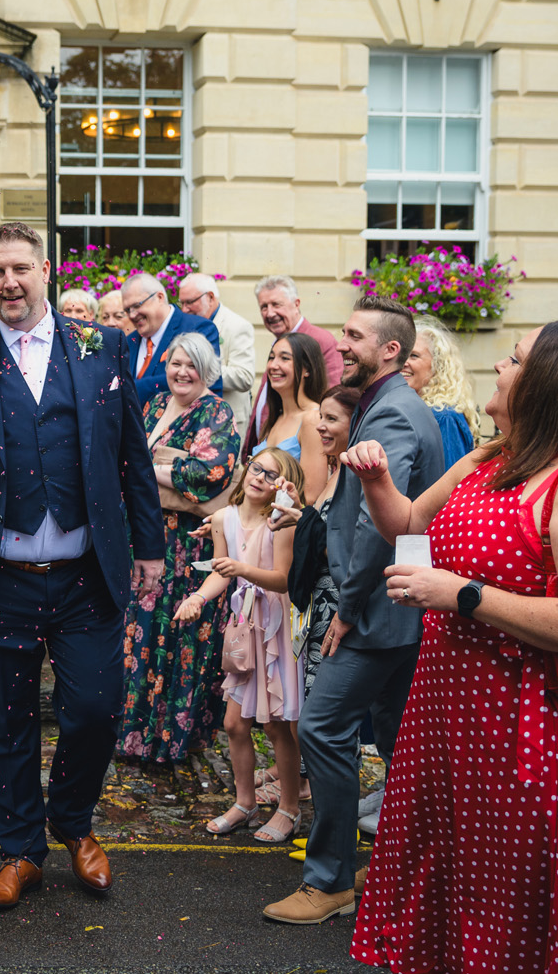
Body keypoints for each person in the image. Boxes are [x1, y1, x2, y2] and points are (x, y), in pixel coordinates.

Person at [344, 321, 558, 973]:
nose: (500, 368)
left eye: (513, 359)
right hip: (453, 716)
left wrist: (463, 594)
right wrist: (376, 480)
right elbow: (408, 524)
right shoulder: (491, 456)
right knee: (449, 888)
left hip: (533, 728)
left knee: (513, 910)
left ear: (551, 385)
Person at [0, 222, 164, 911]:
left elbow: (131, 458)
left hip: (88, 574)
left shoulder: (102, 344)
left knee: (94, 708)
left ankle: (74, 822)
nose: (9, 282)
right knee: (4, 719)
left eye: (21, 268)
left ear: (46, 269)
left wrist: (150, 549)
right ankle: (20, 849)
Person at [264, 295, 444, 925]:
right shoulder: (389, 406)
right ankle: (405, 868)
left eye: (354, 336)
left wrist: (346, 608)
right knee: (399, 739)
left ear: (389, 350)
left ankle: (331, 878)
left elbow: (376, 526)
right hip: (396, 609)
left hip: (375, 609)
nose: (341, 345)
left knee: (321, 727)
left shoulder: (392, 414)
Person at [117, 331, 239, 765]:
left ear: (206, 369)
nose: (182, 372)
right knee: (139, 634)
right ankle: (133, 734)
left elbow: (211, 473)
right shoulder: (152, 406)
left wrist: (152, 468)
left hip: (188, 546)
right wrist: (162, 465)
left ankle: (169, 740)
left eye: (192, 365)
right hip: (145, 536)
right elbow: (126, 458)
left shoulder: (216, 411)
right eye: (175, 363)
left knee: (177, 637)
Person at [185, 446, 305, 843]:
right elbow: (220, 573)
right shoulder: (223, 518)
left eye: (272, 475)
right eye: (257, 469)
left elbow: (282, 580)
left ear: (282, 486)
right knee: (234, 722)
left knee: (275, 726)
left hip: (274, 629)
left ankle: (289, 807)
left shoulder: (281, 522)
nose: (260, 478)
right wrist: (199, 598)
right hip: (244, 627)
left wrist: (242, 569)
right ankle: (245, 802)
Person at [284, 386, 360, 703]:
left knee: (322, 717)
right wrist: (298, 510)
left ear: (356, 422)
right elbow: (325, 530)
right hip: (318, 605)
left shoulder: (356, 474)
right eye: (320, 417)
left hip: (337, 608)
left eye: (331, 418)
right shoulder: (335, 466)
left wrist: (307, 527)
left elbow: (350, 550)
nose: (320, 426)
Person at [249, 275, 343, 439]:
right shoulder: (279, 341)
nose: (270, 313)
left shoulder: (320, 340)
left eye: (276, 304)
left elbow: (334, 398)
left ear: (296, 304)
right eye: (264, 307)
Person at [245, 332, 329, 498]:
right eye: (271, 357)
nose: (273, 365)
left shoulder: (313, 419)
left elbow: (311, 497)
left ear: (307, 369)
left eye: (284, 358)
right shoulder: (275, 418)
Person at [122, 272, 222, 411]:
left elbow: (206, 381)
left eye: (137, 306)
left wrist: (126, 389)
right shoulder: (129, 342)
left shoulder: (197, 328)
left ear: (160, 297)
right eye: (127, 310)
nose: (132, 315)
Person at [177, 273, 256, 425]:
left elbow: (244, 376)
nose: (184, 310)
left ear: (210, 297)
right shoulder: (187, 324)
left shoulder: (237, 326)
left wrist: (200, 370)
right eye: (181, 303)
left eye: (189, 302)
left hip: (226, 420)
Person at [401, 314, 479, 465]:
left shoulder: (443, 417)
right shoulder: (409, 409)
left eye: (414, 356)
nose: (403, 362)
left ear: (438, 365)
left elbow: (451, 481)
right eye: (402, 355)